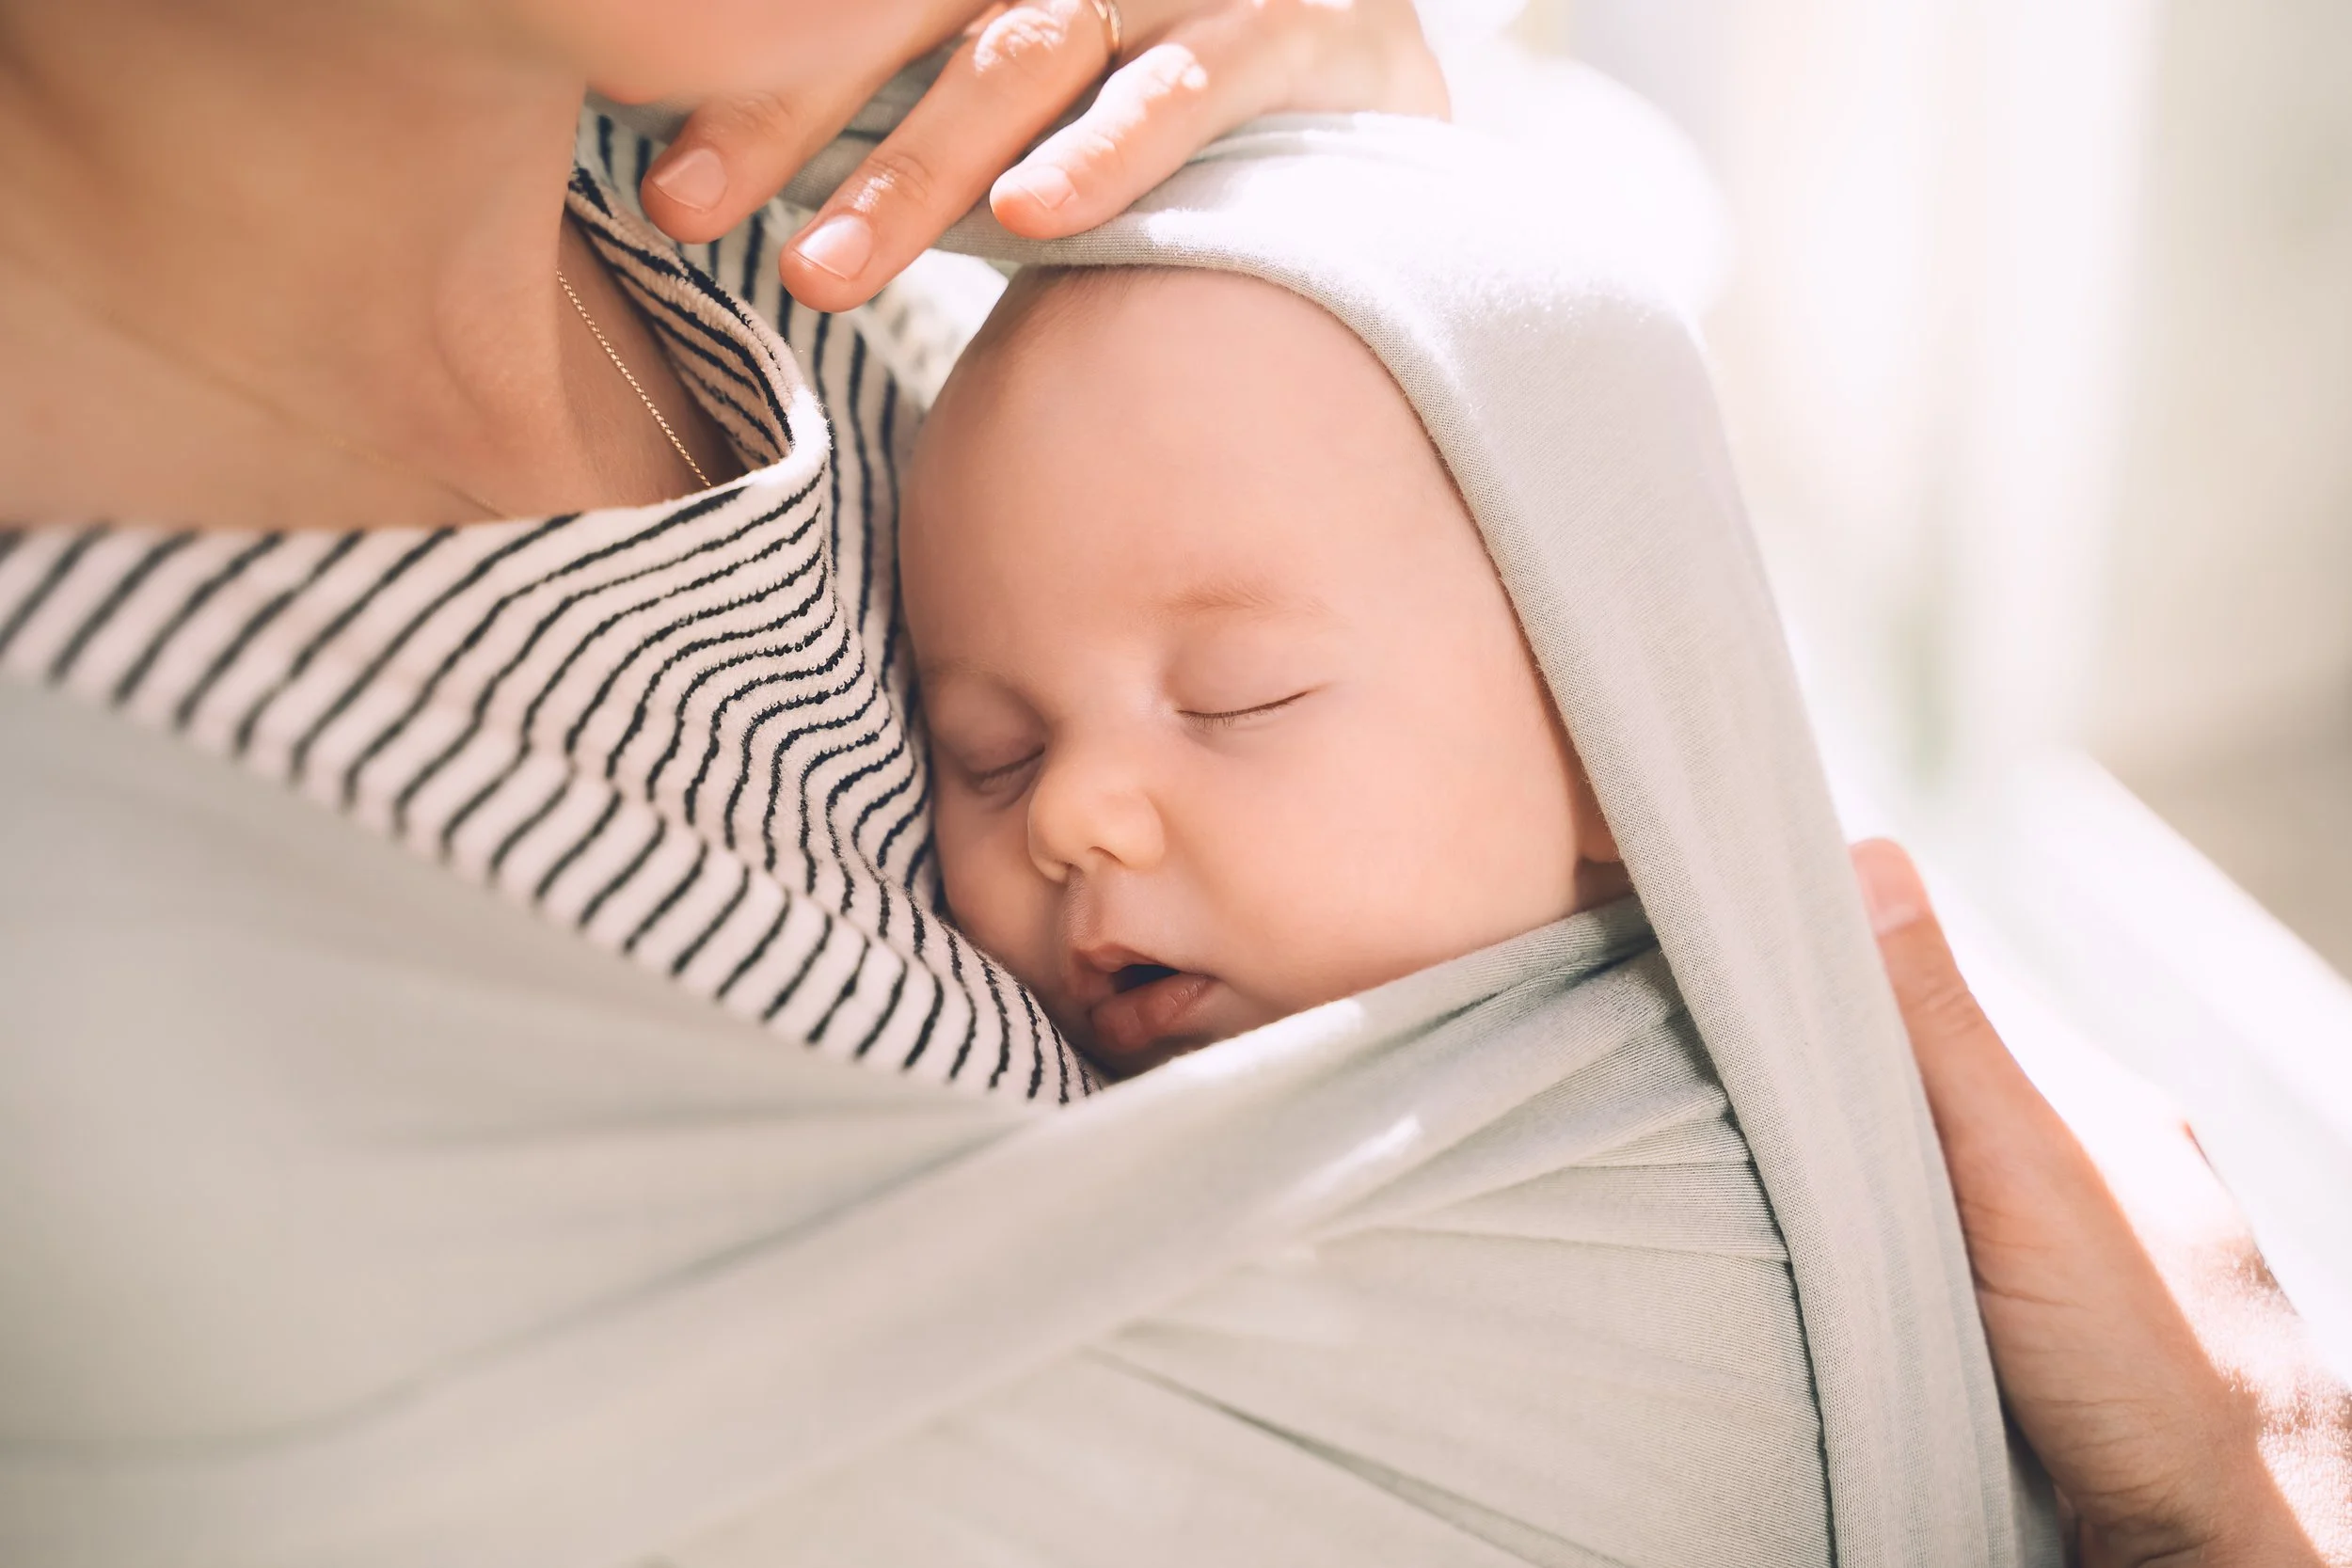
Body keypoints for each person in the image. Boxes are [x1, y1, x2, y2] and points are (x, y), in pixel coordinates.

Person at [0, 0, 2338, 1556]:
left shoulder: (859, 195)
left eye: (1223, 708)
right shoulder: (127, 905)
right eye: (981, 744)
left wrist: (1347, 190)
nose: (1071, 819)